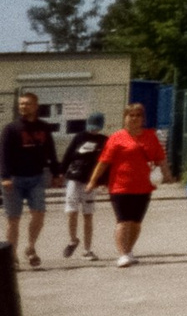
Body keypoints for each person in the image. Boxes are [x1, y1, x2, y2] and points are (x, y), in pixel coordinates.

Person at [95, 102, 166, 267]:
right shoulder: (116, 137)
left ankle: (129, 250)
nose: (134, 118)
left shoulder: (150, 136)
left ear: (143, 118)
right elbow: (104, 162)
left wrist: (167, 174)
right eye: (131, 115)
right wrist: (93, 181)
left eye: (138, 115)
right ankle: (122, 254)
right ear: (125, 118)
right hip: (120, 186)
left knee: (135, 222)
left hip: (143, 186)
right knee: (123, 220)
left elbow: (160, 157)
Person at [3, 91, 57, 270]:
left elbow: (51, 151)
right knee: (13, 220)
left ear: (36, 106)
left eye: (27, 103)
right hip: (14, 180)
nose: (23, 106)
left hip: (37, 178)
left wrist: (57, 173)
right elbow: (3, 155)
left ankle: (31, 247)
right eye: (21, 104)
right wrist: (4, 177)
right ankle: (12, 257)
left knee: (39, 215)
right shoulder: (11, 129)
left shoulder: (44, 127)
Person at [59, 111, 107, 260]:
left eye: (96, 127)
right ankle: (73, 239)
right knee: (71, 211)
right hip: (74, 177)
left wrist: (104, 181)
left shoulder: (104, 140)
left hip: (91, 181)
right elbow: (67, 155)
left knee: (88, 214)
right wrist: (61, 173)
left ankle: (87, 249)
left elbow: (106, 163)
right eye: (91, 126)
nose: (93, 130)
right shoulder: (79, 137)